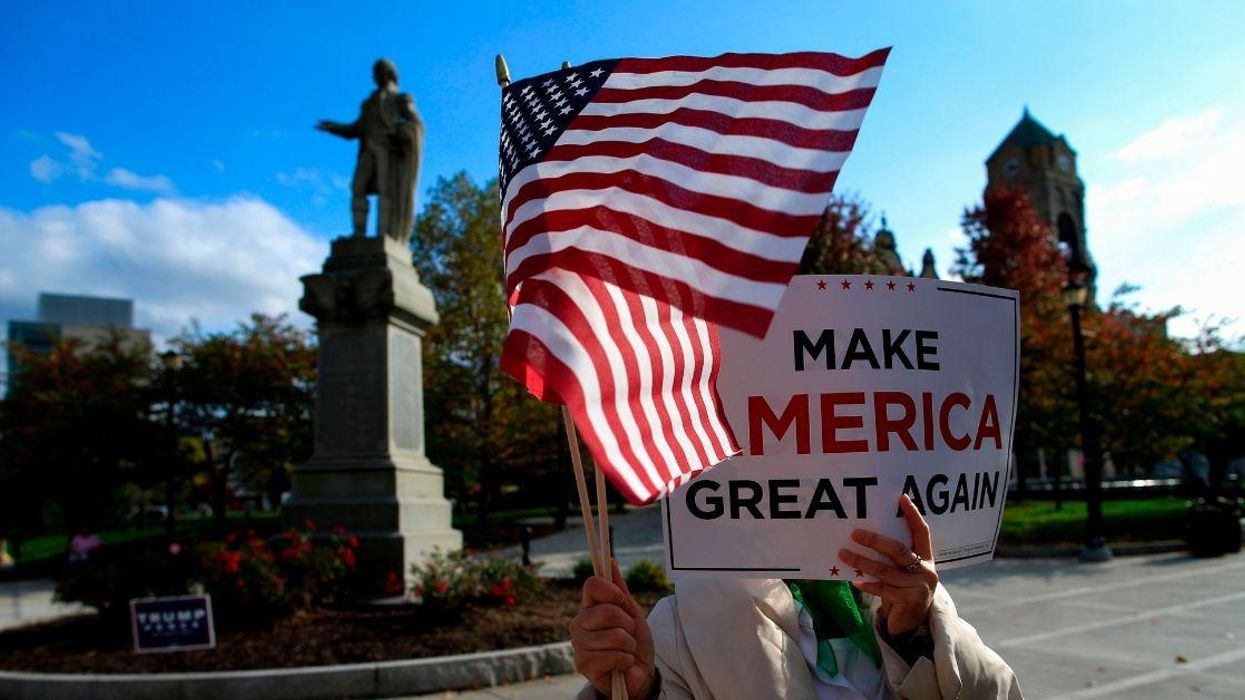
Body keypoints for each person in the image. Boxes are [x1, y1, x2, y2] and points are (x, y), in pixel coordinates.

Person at [570, 495, 1022, 699]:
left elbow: (996, 692)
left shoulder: (896, 588)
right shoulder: (680, 628)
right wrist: (636, 695)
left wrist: (919, 634)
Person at [316, 58, 424, 243]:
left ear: (389, 73)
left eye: (380, 70)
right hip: (368, 150)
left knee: (385, 190)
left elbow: (415, 124)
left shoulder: (399, 99)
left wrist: (402, 134)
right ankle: (358, 234)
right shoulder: (368, 103)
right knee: (358, 187)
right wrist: (333, 127)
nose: (376, 75)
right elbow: (355, 129)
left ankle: (384, 234)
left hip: (388, 150)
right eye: (375, 71)